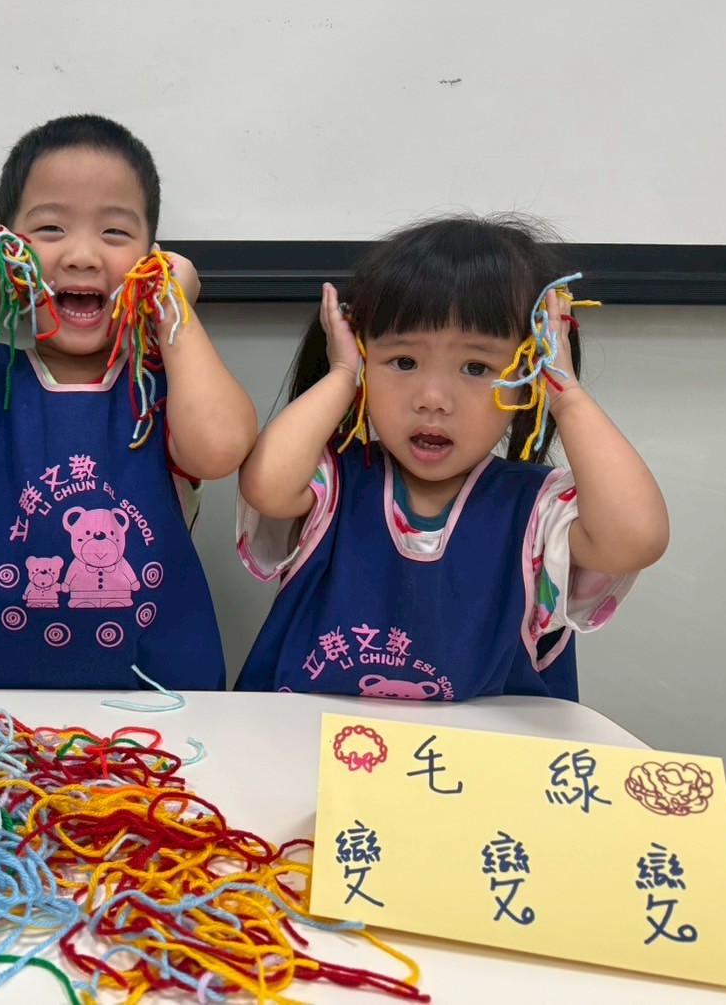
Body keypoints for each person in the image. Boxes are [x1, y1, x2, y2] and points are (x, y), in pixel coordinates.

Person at [0, 115, 256, 689]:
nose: (83, 255)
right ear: (10, 252)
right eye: (49, 229)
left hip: (149, 710)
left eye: (115, 233)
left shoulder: (166, 388)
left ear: (151, 262)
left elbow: (220, 448)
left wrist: (170, 305)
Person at [235, 214, 668, 700]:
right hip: (305, 738)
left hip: (481, 748)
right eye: (403, 362)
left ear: (528, 375)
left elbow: (635, 537)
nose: (433, 399)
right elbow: (266, 485)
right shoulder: (332, 477)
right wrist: (341, 375)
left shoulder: (539, 511)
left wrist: (565, 393)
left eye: (476, 367)